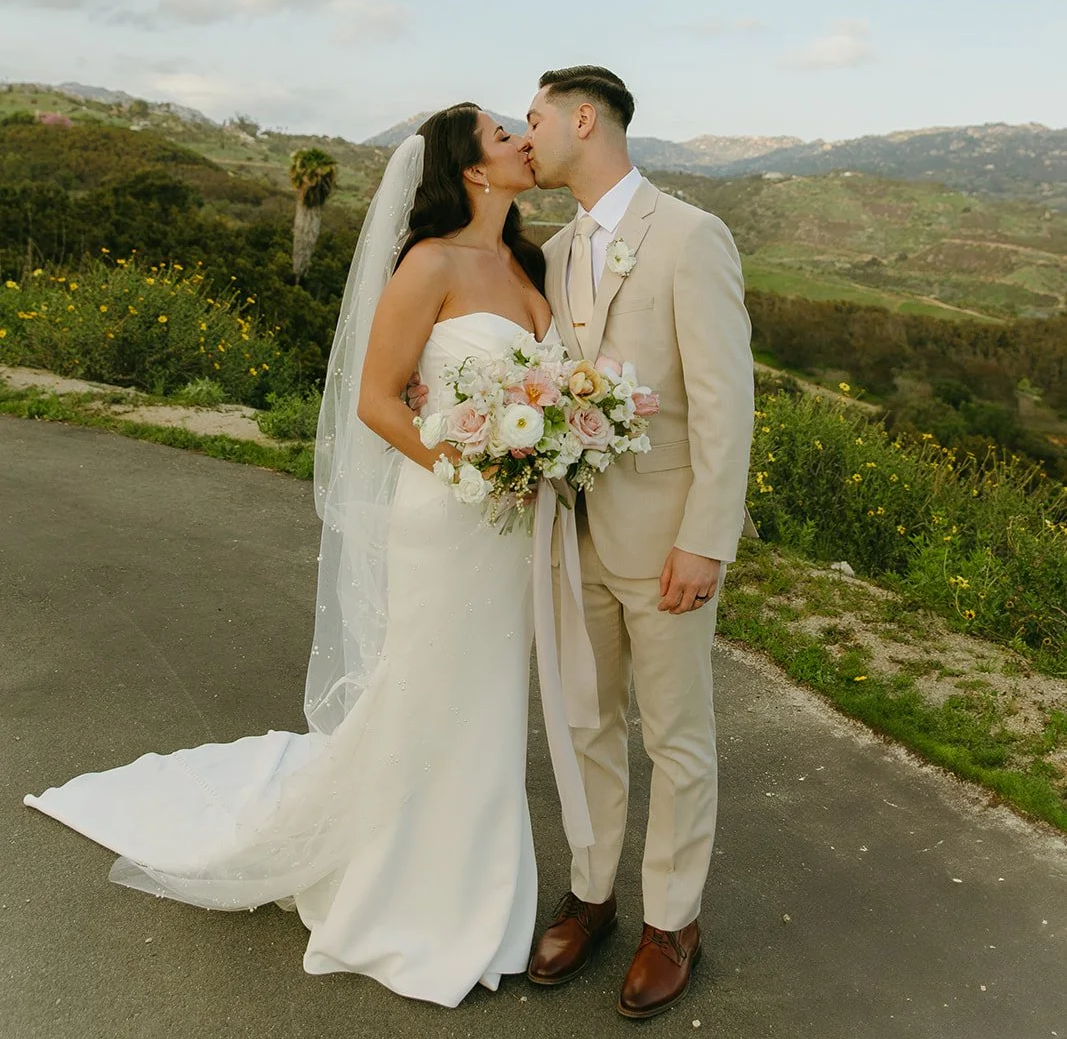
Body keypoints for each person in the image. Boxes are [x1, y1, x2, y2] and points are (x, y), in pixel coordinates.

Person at [24, 103, 594, 1009]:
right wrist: (471, 472)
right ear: (473, 171)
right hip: (448, 518)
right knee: (431, 693)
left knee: (486, 704)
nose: (524, 139)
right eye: (502, 134)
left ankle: (479, 885)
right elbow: (377, 400)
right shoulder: (429, 262)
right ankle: (407, 896)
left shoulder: (530, 261)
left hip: (510, 530)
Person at [523, 64, 756, 1021]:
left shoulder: (690, 236)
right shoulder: (551, 250)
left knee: (675, 734)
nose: (523, 131)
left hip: (661, 536)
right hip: (565, 535)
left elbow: (724, 403)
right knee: (583, 722)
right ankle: (592, 894)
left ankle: (672, 921)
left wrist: (706, 538)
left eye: (532, 117)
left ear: (585, 119)